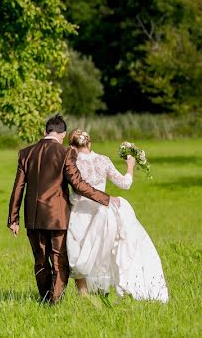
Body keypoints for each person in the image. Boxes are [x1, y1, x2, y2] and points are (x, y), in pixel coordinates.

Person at [8, 115, 119, 304]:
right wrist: (105, 198)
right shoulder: (66, 153)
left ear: (45, 132)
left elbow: (18, 186)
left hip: (33, 216)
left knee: (40, 260)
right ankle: (55, 301)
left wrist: (13, 219)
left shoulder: (25, 153)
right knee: (59, 260)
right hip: (57, 215)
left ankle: (44, 299)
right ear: (63, 134)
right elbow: (78, 184)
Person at [66, 129, 169, 302]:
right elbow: (125, 184)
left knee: (80, 252)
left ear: (71, 146)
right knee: (101, 252)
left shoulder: (71, 162)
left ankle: (83, 296)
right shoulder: (104, 160)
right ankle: (102, 293)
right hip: (103, 212)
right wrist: (130, 166)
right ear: (89, 144)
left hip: (81, 213)